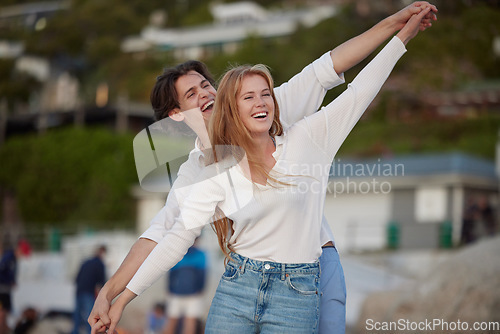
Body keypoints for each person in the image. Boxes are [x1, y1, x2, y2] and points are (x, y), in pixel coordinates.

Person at [92, 5, 435, 334]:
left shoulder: (270, 108)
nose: (205, 94)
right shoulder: (199, 171)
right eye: (192, 94)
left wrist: (395, 26)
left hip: (313, 261)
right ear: (176, 115)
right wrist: (110, 294)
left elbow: (330, 69)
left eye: (207, 85)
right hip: (244, 275)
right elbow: (162, 237)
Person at [163, 240, 207, 334]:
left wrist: (170, 289)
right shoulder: (200, 255)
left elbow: (171, 274)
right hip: (192, 294)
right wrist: (201, 289)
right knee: (188, 323)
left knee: (173, 322)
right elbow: (202, 275)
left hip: (180, 293)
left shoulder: (177, 254)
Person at [72, 245, 107, 334]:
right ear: (103, 253)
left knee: (77, 317)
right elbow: (102, 283)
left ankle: (75, 332)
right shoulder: (100, 264)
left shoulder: (85, 262)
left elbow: (76, 278)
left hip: (79, 291)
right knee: (91, 317)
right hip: (88, 292)